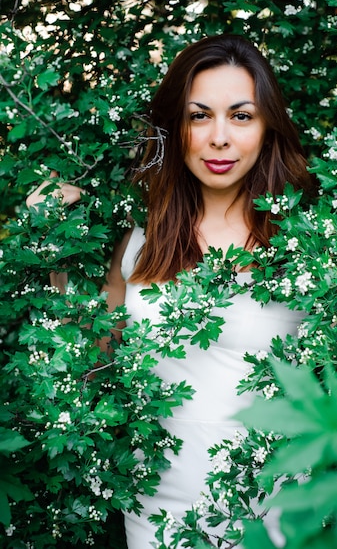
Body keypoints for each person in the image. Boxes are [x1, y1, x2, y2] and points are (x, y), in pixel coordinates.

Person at [27, 34, 314, 547]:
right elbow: (96, 365)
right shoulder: (140, 244)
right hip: (158, 517)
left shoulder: (309, 247)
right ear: (173, 128)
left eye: (241, 116)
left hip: (284, 518)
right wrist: (59, 248)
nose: (219, 138)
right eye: (198, 115)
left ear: (269, 126)